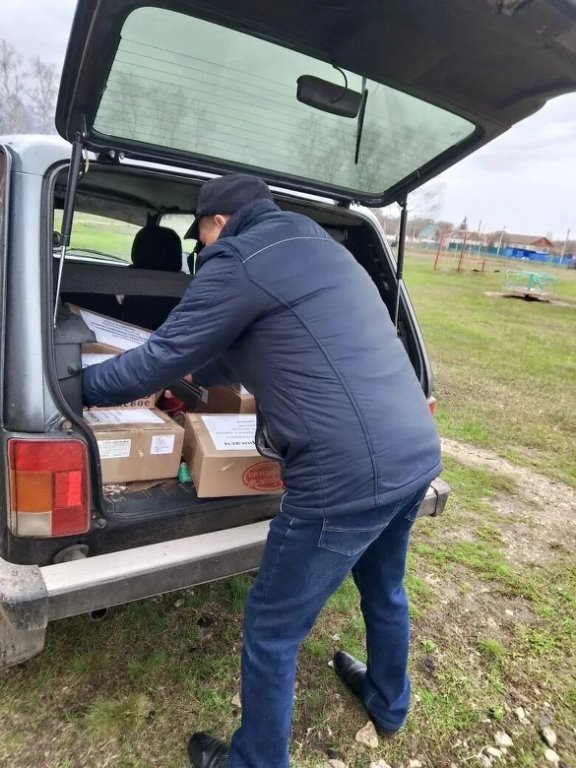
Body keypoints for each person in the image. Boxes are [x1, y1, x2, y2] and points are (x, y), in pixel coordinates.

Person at [82, 173, 442, 768]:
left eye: (200, 233)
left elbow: (157, 358)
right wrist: (196, 375)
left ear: (218, 223)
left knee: (272, 629)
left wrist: (73, 386)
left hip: (342, 479)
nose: (200, 245)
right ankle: (388, 702)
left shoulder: (236, 259)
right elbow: (245, 348)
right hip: (414, 454)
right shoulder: (321, 246)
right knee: (384, 588)